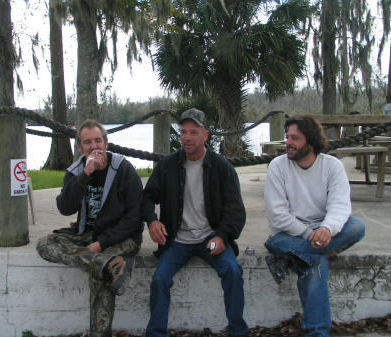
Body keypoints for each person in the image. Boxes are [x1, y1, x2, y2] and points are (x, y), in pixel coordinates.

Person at [142, 108, 249, 337]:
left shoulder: (222, 167)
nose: (187, 137)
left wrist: (222, 236)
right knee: (160, 279)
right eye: (183, 132)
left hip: (211, 239)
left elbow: (235, 210)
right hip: (178, 241)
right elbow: (148, 196)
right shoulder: (168, 165)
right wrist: (152, 221)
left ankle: (238, 331)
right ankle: (156, 333)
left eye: (193, 132)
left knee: (232, 271)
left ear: (206, 136)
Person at [36, 119, 144, 337]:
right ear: (80, 147)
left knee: (101, 279)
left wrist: (101, 244)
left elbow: (135, 218)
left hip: (121, 237)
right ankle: (102, 264)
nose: (94, 147)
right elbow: (65, 208)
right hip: (87, 234)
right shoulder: (77, 171)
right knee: (45, 244)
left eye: (98, 141)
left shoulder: (123, 170)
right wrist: (85, 175)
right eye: (87, 142)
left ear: (106, 142)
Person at [264, 115, 366, 337]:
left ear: (310, 142)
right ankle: (318, 333)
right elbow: (278, 216)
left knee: (357, 227)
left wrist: (328, 229)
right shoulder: (277, 166)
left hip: (321, 229)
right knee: (317, 257)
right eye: (287, 137)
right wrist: (317, 238)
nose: (288, 143)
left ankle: (289, 257)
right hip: (285, 235)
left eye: (295, 138)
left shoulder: (332, 166)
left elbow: (340, 206)